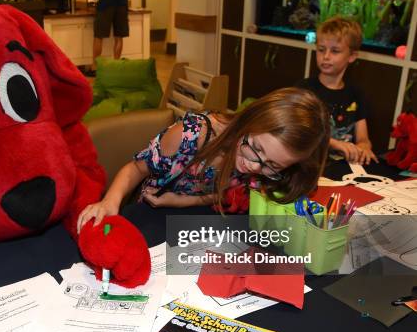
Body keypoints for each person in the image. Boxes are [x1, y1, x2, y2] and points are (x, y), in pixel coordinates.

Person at [77, 87, 330, 230]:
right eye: (256, 148)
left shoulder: (259, 163)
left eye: (272, 166)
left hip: (196, 218)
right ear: (250, 119)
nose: (253, 166)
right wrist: (110, 201)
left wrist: (180, 202)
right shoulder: (192, 134)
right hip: (151, 217)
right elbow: (135, 169)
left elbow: (226, 191)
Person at [296, 16, 377, 165]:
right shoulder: (304, 90)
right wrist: (334, 143)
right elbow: (299, 132)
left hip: (344, 166)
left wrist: (364, 147)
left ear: (352, 56)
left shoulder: (356, 93)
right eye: (321, 50)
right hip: (311, 165)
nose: (325, 57)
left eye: (335, 51)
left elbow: (363, 138)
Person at [86, 0, 130, 77]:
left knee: (99, 36)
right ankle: (116, 66)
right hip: (122, 6)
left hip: (105, 5)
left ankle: (95, 68)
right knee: (119, 37)